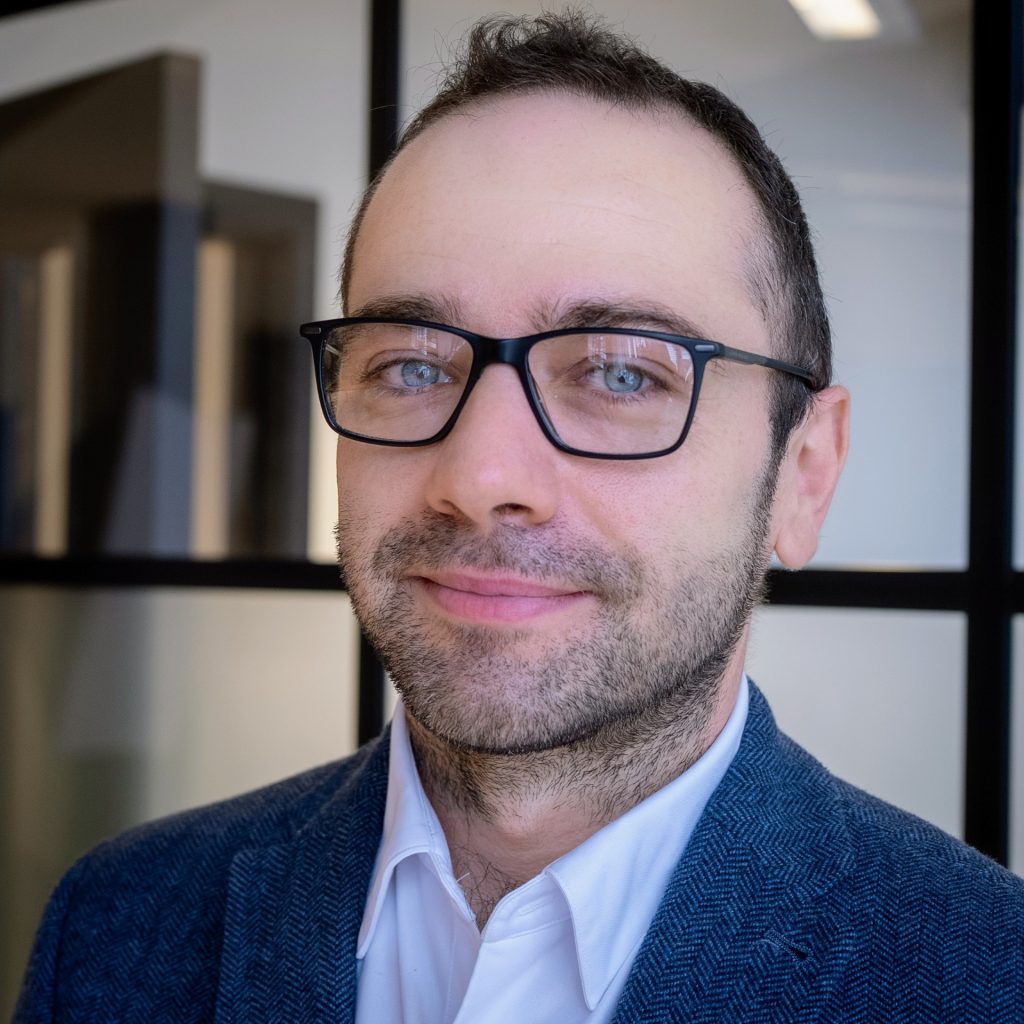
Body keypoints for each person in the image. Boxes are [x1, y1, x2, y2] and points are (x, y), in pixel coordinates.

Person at [15, 11, 1024, 1023]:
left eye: (622, 371)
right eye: (409, 364)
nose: (481, 474)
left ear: (802, 473)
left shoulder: (990, 976)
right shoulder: (116, 922)